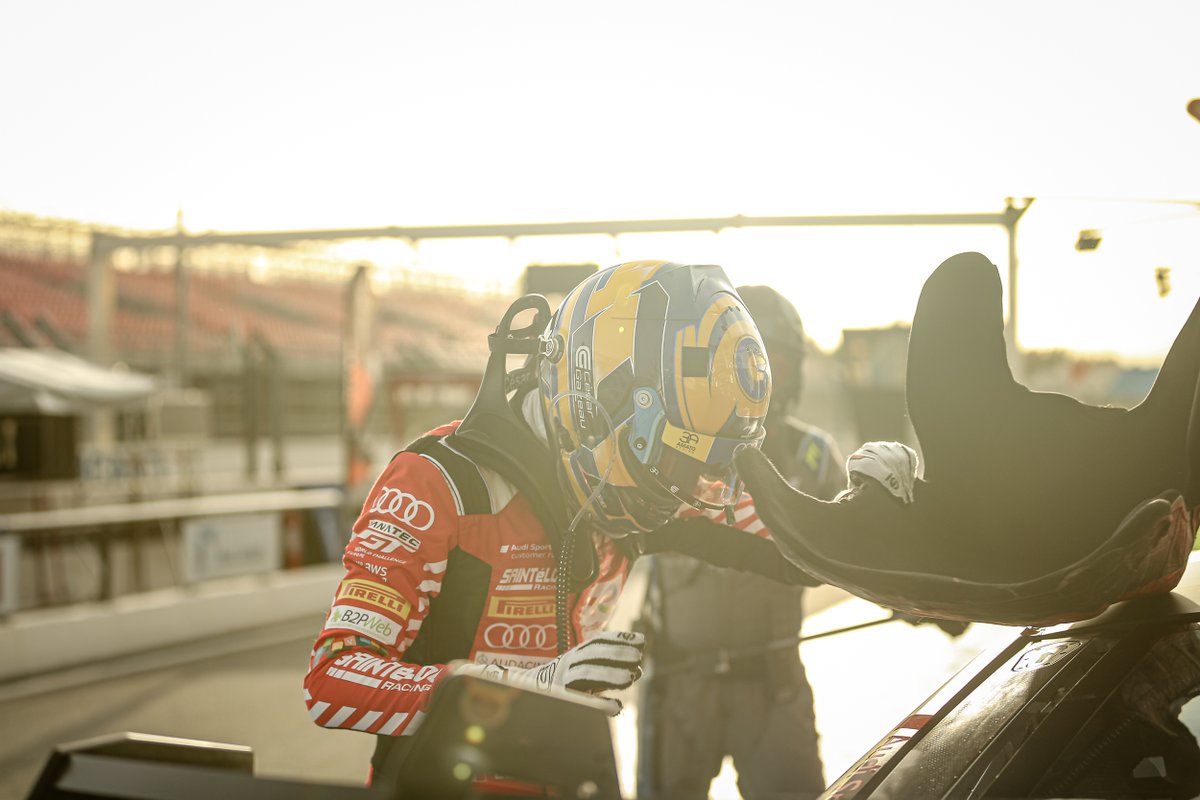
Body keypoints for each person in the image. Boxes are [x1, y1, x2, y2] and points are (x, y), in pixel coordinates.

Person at [302, 260, 814, 789]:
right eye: (668, 454)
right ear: (603, 406)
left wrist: (874, 512)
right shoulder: (436, 482)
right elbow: (333, 680)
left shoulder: (647, 487)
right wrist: (523, 690)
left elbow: (801, 544)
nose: (684, 485)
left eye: (702, 463)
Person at [636, 285, 845, 800]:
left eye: (779, 362)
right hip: (678, 684)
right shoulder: (660, 449)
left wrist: (924, 597)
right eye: (751, 360)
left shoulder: (815, 456)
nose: (763, 378)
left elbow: (860, 551)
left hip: (774, 690)